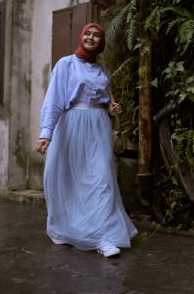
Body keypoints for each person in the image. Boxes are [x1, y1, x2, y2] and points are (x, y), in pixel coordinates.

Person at [35, 22, 138, 258]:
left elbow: (104, 100)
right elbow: (54, 100)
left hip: (99, 127)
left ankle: (105, 237)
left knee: (102, 179)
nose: (92, 38)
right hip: (72, 126)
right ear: (81, 37)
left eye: (97, 36)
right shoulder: (65, 64)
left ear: (101, 43)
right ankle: (64, 229)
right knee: (68, 179)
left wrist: (111, 108)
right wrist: (45, 133)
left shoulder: (102, 70)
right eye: (88, 34)